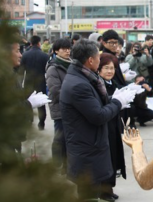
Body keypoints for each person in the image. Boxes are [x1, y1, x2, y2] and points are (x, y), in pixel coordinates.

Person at [60, 39, 136, 200]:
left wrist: (111, 99)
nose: (100, 61)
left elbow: (93, 104)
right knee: (88, 194)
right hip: (87, 147)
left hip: (88, 144)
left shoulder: (83, 76)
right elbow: (98, 116)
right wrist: (117, 102)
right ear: (90, 60)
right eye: (99, 58)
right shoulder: (79, 84)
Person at [97, 53, 129, 201]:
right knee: (106, 158)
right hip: (104, 125)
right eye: (106, 68)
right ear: (99, 69)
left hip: (114, 124)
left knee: (114, 156)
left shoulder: (113, 84)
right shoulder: (97, 85)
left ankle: (109, 188)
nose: (110, 71)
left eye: (112, 68)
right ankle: (104, 190)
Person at [45, 38, 72, 170]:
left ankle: (67, 165)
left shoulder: (73, 64)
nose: (67, 51)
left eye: (68, 48)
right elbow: (55, 90)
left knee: (70, 138)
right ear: (56, 51)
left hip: (72, 107)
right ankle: (57, 164)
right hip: (60, 107)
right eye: (64, 49)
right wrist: (75, 95)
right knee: (60, 137)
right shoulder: (53, 68)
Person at [20, 35, 49, 130]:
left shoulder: (25, 55)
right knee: (41, 104)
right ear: (39, 43)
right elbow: (47, 71)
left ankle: (29, 121)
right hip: (41, 82)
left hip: (28, 83)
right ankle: (41, 124)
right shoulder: (45, 56)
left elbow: (21, 71)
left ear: (31, 43)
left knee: (28, 103)